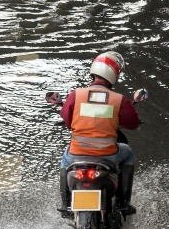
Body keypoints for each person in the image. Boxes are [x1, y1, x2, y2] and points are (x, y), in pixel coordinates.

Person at [58, 51, 141, 218]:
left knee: (64, 158)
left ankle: (66, 203)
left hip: (77, 155)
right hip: (107, 156)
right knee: (128, 153)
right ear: (114, 74)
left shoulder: (76, 95)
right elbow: (132, 124)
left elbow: (67, 122)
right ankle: (124, 204)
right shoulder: (119, 100)